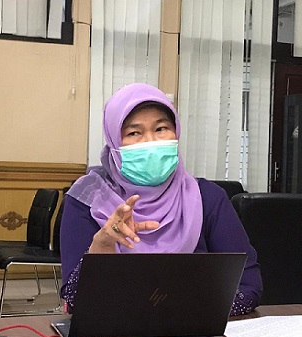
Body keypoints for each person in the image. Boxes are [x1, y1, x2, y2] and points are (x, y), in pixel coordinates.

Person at [60, 83, 262, 315]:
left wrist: (183, 312)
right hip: (114, 332)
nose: (151, 141)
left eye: (161, 128)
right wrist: (103, 245)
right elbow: (75, 300)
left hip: (194, 330)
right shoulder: (87, 199)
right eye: (134, 133)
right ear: (114, 141)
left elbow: (249, 286)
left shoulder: (208, 198)